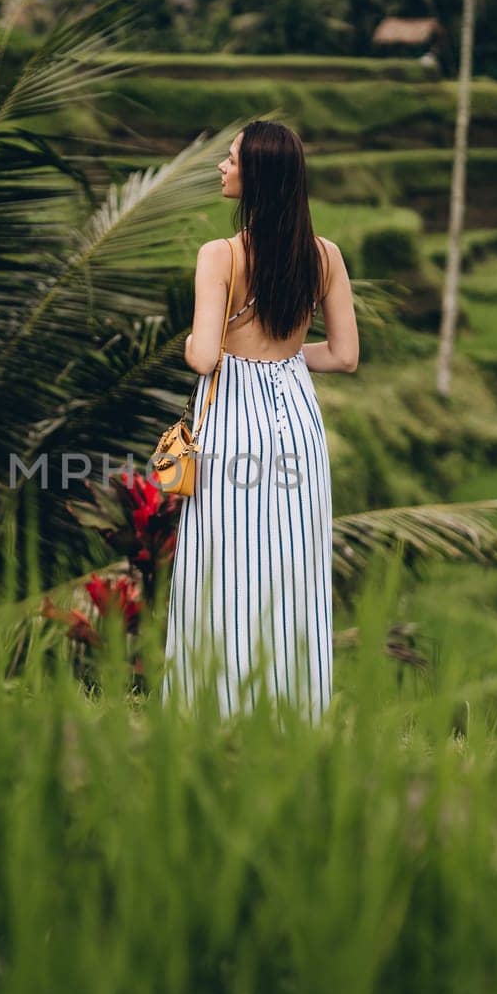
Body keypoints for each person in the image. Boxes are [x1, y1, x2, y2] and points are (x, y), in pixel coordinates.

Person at [161, 120, 360, 724]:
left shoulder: (220, 255)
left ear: (256, 178)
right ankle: (292, 704)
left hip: (234, 420)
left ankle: (214, 702)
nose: (222, 169)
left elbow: (203, 355)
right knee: (292, 559)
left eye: (231, 161)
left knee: (223, 559)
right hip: (296, 415)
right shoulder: (324, 256)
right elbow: (345, 356)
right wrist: (290, 357)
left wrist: (203, 342)